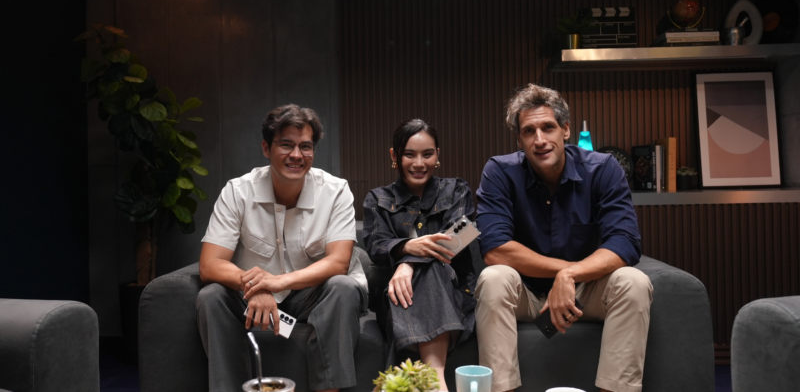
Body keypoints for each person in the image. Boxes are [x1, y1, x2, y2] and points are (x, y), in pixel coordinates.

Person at [475, 84, 653, 392]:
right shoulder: (500, 172)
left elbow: (625, 241)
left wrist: (571, 276)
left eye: (548, 127)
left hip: (584, 293)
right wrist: (563, 271)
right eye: (529, 131)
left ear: (565, 130)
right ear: (519, 140)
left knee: (633, 282)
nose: (539, 140)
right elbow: (495, 249)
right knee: (494, 278)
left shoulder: (602, 169)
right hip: (526, 295)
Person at [196, 104, 367, 392]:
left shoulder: (335, 191)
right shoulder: (237, 191)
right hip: (253, 298)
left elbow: (338, 262)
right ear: (266, 148)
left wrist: (278, 282)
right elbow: (209, 264)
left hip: (312, 297)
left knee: (343, 285)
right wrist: (257, 287)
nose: (297, 155)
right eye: (286, 145)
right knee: (211, 296)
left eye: (305, 146)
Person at [362, 119, 477, 391]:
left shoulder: (457, 189)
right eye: (409, 154)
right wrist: (407, 248)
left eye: (427, 154)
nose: (419, 163)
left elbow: (459, 238)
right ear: (394, 156)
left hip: (454, 296)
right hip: (397, 299)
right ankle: (436, 383)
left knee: (434, 269)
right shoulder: (377, 199)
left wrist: (408, 264)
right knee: (424, 273)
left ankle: (430, 382)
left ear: (438, 154)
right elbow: (376, 247)